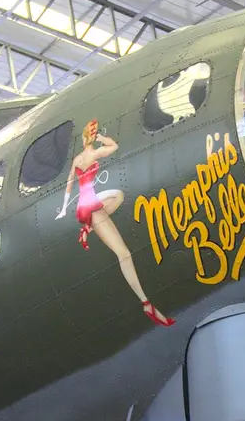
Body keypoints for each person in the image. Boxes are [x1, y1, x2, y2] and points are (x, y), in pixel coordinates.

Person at [56, 119, 174, 326]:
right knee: (124, 254)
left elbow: (69, 183)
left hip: (85, 204)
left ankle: (87, 228)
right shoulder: (94, 154)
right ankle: (146, 303)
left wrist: (65, 208)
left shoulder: (78, 159)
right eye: (93, 135)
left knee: (117, 196)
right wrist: (102, 138)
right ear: (91, 137)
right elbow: (114, 146)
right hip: (91, 205)